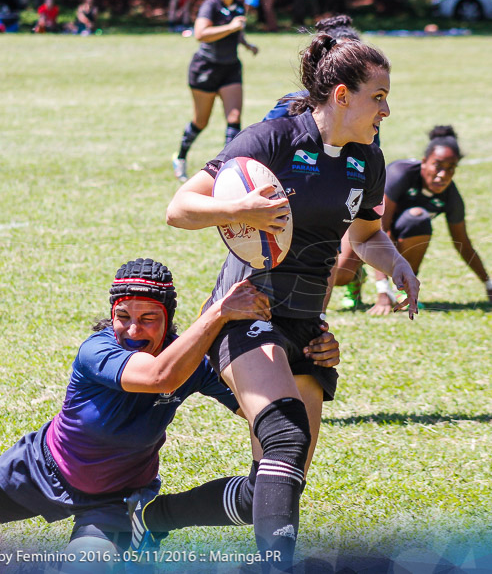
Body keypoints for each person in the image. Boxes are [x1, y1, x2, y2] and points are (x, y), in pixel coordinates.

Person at [154, 35, 420, 572]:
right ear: (342, 95)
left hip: (307, 326)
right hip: (247, 311)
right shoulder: (272, 139)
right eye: (379, 96)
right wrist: (240, 207)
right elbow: (180, 208)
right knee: (285, 436)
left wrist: (395, 264)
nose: (387, 110)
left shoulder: (368, 159)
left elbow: (366, 235)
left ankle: (152, 520)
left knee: (275, 482)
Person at [0, 259, 340, 558]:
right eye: (123, 315)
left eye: (148, 318)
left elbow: (256, 408)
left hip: (115, 500)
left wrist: (303, 360)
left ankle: (140, 523)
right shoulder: (98, 349)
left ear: (168, 318)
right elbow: (155, 376)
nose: (132, 328)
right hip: (39, 469)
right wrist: (219, 314)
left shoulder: (191, 361)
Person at [260, 14, 373, 310]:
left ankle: (317, 322)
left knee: (328, 268)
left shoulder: (367, 118)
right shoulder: (288, 111)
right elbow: (250, 168)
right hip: (276, 230)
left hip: (327, 223)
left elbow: (370, 219)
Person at [356, 126, 492, 315]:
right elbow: (379, 230)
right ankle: (355, 280)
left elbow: (463, 244)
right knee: (341, 273)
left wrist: (488, 284)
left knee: (418, 219)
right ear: (425, 162)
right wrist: (382, 291)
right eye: (438, 166)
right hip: (364, 231)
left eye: (451, 169)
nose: (443, 174)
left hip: (394, 242)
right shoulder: (400, 174)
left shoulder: (451, 196)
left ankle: (403, 290)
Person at [172, 0, 259, 182]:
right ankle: (180, 157)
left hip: (230, 68)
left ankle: (226, 171)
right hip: (206, 68)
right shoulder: (210, 6)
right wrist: (230, 27)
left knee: (234, 118)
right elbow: (200, 34)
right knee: (201, 121)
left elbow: (236, 32)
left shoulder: (239, 7)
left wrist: (246, 44)